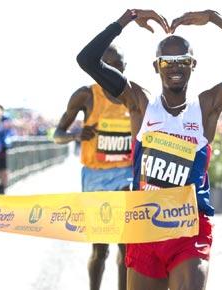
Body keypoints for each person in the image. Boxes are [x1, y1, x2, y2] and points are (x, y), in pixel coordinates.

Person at [77, 9, 222, 290]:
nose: (175, 67)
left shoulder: (207, 106)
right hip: (146, 227)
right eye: (167, 61)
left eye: (182, 60)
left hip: (189, 228)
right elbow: (87, 59)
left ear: (193, 64)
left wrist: (216, 20)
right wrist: (126, 19)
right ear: (157, 66)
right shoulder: (140, 103)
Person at [54, 45, 132, 290]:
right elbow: (57, 134)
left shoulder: (135, 96)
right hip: (95, 178)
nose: (112, 73)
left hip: (125, 177)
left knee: (126, 246)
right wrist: (76, 134)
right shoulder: (86, 95)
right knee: (100, 249)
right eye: (106, 68)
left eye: (117, 67)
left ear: (124, 68)